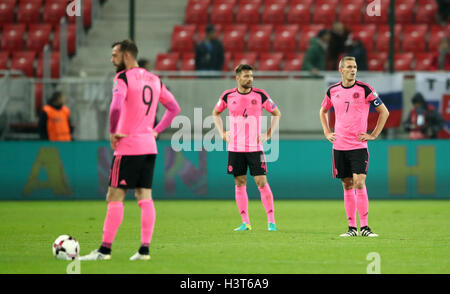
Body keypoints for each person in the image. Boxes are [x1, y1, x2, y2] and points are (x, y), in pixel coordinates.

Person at [80, 39, 181, 261]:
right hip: (149, 146)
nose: (112, 59)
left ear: (127, 55)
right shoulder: (154, 79)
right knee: (145, 196)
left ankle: (104, 251)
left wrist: (113, 131)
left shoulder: (122, 77)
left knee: (114, 196)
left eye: (115, 54)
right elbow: (174, 108)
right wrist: (156, 131)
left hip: (128, 145)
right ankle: (144, 250)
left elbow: (116, 105)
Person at [319, 56, 390, 237]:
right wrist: (327, 132)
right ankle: (352, 228)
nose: (353, 70)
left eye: (355, 67)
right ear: (341, 70)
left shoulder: (365, 89)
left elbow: (384, 111)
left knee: (359, 182)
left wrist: (373, 134)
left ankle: (365, 227)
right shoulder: (332, 91)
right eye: (349, 67)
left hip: (358, 144)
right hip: (339, 145)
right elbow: (323, 110)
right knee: (347, 184)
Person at [212, 64, 282, 232]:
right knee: (239, 183)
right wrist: (222, 132)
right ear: (237, 78)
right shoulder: (228, 95)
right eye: (246, 76)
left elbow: (277, 113)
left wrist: (269, 134)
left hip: (255, 148)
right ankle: (245, 222)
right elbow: (215, 113)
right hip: (235, 148)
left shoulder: (260, 95)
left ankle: (271, 222)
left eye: (251, 76)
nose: (249, 79)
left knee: (261, 182)